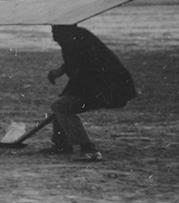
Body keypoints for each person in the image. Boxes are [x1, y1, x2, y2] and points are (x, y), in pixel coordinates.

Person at [42, 25, 137, 162]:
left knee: (61, 106)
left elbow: (87, 70)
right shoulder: (78, 37)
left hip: (110, 88)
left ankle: (88, 149)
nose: (53, 34)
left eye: (56, 30)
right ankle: (61, 145)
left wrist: (70, 91)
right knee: (63, 103)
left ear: (64, 30)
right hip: (112, 85)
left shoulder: (73, 40)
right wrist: (60, 72)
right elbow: (77, 61)